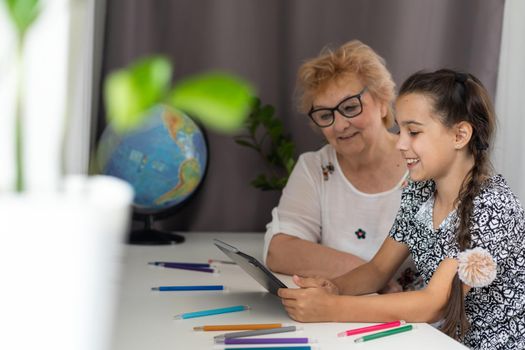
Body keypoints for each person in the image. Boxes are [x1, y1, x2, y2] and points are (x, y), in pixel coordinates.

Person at [277, 69, 525, 349]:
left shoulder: (493, 208)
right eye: (400, 130)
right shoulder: (420, 192)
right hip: (438, 339)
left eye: (414, 131)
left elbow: (433, 304)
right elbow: (378, 269)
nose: (401, 143)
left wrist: (331, 307)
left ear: (459, 135)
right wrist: (335, 287)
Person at [264, 40, 420, 291]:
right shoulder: (315, 167)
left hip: (417, 322)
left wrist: (369, 279)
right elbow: (280, 251)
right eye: (326, 115)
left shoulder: (422, 165)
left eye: (350, 107)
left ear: (382, 102)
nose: (339, 125)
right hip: (337, 319)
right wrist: (372, 277)